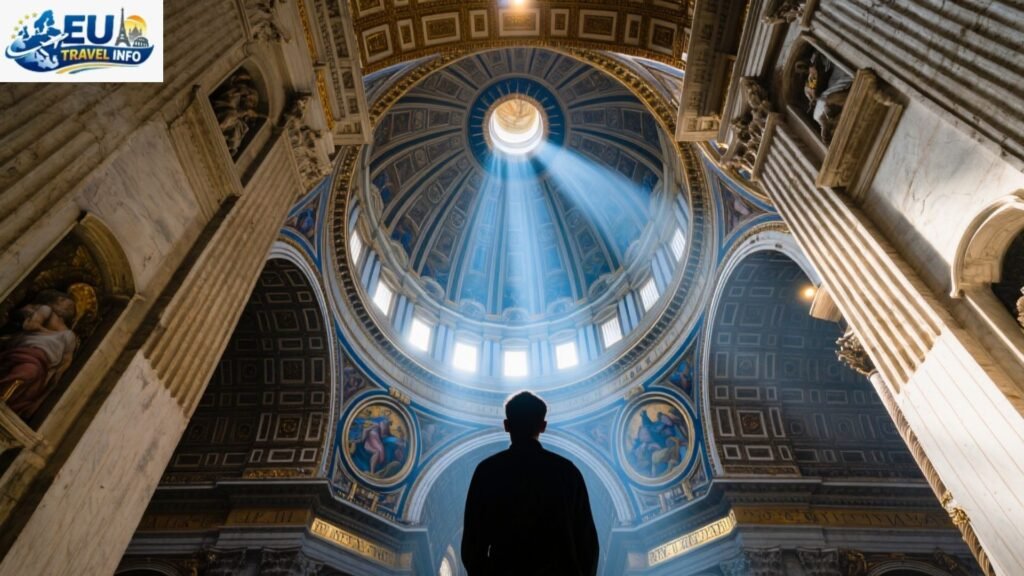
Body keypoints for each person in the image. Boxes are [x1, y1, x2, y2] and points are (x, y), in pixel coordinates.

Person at [462, 391, 599, 576]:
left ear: (506, 425)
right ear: (543, 426)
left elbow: (472, 545)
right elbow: (587, 544)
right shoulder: (567, 472)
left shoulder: (487, 471)